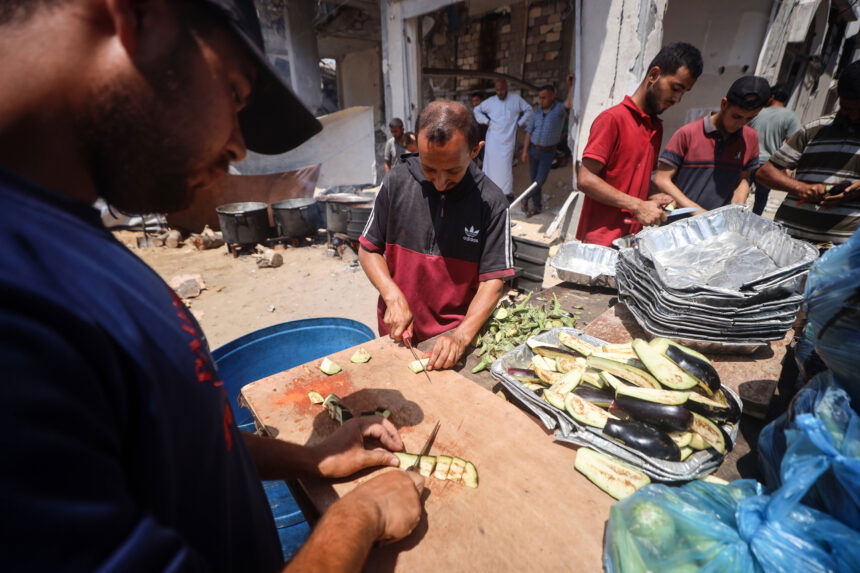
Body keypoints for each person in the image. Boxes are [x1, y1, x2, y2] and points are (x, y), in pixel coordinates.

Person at [0, 1, 424, 571]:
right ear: (137, 15)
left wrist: (310, 459)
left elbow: (175, 446)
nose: (239, 148)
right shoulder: (18, 295)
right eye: (234, 93)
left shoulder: (58, 238)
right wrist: (359, 515)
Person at [359, 101, 514, 370]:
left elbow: (494, 280)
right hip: (396, 332)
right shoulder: (396, 182)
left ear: (475, 150)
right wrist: (392, 296)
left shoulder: (492, 202)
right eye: (429, 168)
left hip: (450, 341)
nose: (440, 182)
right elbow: (369, 248)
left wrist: (461, 336)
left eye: (453, 170)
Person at [576, 42, 703, 246]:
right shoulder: (613, 119)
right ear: (654, 75)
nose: (678, 99)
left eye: (684, 92)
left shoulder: (655, 127)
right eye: (676, 88)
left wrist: (656, 195)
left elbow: (638, 179)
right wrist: (638, 205)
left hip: (630, 239)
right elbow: (585, 179)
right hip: (599, 242)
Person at [756, 60, 860, 245]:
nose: (854, 116)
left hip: (841, 253)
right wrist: (801, 188)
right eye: (847, 109)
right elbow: (765, 173)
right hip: (788, 241)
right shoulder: (813, 129)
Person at [654, 76, 768, 212]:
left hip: (718, 228)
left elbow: (743, 178)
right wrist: (698, 212)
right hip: (679, 225)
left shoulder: (750, 138)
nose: (740, 123)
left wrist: (737, 205)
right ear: (724, 104)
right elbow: (661, 179)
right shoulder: (688, 133)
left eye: (749, 118)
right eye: (736, 116)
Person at [520, 74, 575, 216]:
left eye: (544, 97)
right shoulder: (536, 113)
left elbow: (568, 103)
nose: (541, 100)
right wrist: (525, 151)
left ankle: (525, 198)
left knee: (540, 180)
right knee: (534, 180)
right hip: (533, 150)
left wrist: (570, 86)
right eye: (540, 97)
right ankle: (537, 207)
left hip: (548, 152)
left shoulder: (558, 110)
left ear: (552, 96)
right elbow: (528, 132)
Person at [473, 78, 533, 199]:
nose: (500, 92)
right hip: (493, 140)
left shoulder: (515, 99)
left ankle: (505, 193)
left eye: (502, 89)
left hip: (508, 141)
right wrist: (486, 121)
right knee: (490, 166)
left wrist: (520, 123)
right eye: (497, 90)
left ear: (506, 88)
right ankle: (489, 190)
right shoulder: (491, 101)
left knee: (505, 169)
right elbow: (476, 109)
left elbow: (529, 110)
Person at [748, 84, 801, 215]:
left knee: (741, 193)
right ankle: (754, 223)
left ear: (772, 97)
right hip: (769, 165)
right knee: (761, 198)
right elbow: (792, 143)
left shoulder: (757, 112)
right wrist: (787, 167)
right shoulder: (790, 117)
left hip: (749, 161)